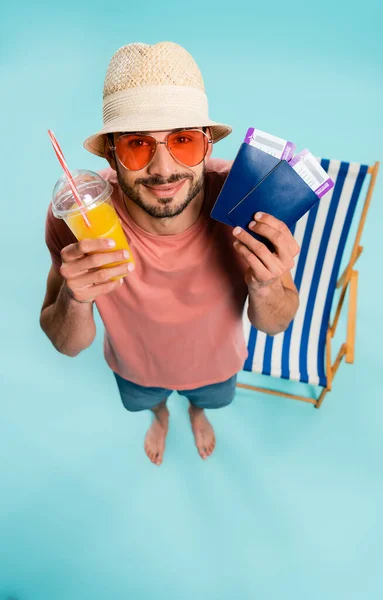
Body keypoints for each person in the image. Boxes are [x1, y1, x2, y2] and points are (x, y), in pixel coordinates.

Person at [40, 42, 300, 466]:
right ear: (111, 152)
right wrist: (74, 298)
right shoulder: (77, 217)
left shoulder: (248, 199)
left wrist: (269, 282)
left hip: (218, 366)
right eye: (138, 145)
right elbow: (66, 343)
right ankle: (160, 418)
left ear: (208, 147)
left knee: (208, 402)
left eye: (183, 140)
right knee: (150, 403)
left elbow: (275, 323)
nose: (163, 169)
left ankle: (196, 413)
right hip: (135, 371)